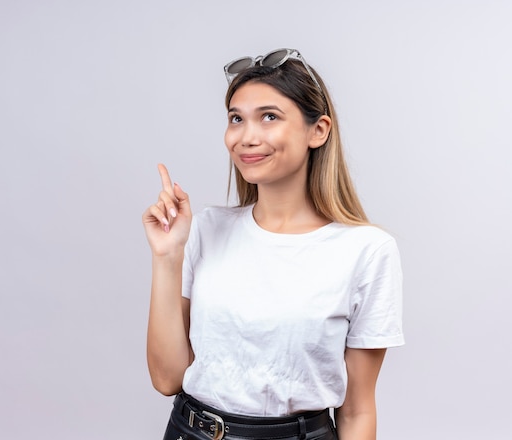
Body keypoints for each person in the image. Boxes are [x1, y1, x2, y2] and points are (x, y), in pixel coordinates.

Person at [142, 48, 404, 440]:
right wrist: (167, 257)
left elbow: (358, 410)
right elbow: (167, 378)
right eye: (236, 118)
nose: (247, 137)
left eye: (269, 117)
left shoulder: (367, 251)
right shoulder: (207, 228)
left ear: (319, 130)